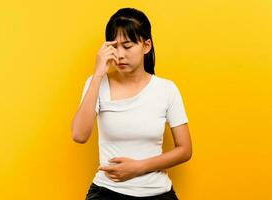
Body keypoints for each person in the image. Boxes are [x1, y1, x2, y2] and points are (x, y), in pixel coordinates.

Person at [71, 7, 192, 200]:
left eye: (127, 46)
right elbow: (79, 135)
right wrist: (97, 75)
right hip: (107, 191)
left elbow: (185, 150)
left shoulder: (166, 90)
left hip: (157, 193)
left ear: (146, 46)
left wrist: (138, 167)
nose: (119, 55)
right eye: (114, 47)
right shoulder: (97, 83)